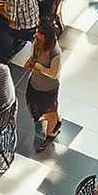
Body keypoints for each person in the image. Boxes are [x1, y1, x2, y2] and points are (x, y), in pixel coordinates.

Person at [24, 19, 63, 153]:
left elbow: (54, 74)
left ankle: (50, 135)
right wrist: (31, 63)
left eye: (39, 32)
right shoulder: (37, 41)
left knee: (50, 112)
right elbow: (34, 55)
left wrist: (38, 67)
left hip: (48, 89)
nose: (37, 34)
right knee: (34, 108)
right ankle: (53, 120)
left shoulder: (55, 52)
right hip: (34, 83)